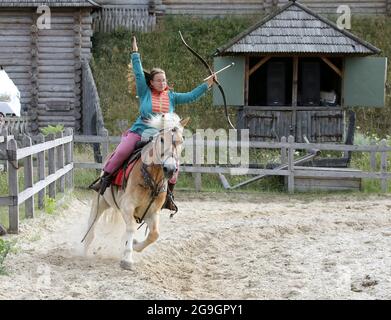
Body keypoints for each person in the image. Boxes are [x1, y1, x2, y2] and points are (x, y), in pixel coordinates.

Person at [90, 36, 216, 212]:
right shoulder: (144, 91)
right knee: (122, 151)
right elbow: (138, 72)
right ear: (151, 82)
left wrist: (207, 85)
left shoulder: (171, 96)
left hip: (162, 136)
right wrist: (135, 53)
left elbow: (191, 95)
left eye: (164, 80)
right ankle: (104, 181)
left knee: (174, 166)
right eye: (159, 80)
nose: (162, 83)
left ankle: (168, 197)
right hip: (141, 131)